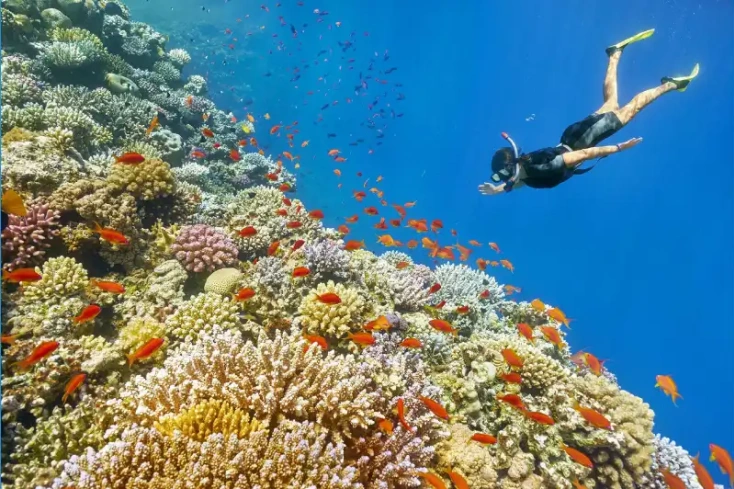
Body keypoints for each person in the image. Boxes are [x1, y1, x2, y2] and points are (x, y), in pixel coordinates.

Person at [479, 29, 699, 195]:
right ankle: (615, 54)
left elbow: (584, 155)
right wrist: (498, 190)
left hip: (583, 140)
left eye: (502, 175)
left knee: (631, 109)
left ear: (511, 167)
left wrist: (619, 147)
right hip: (573, 136)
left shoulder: (542, 168)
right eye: (499, 177)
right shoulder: (527, 174)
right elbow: (518, 183)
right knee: (611, 103)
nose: (503, 179)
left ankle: (671, 85)